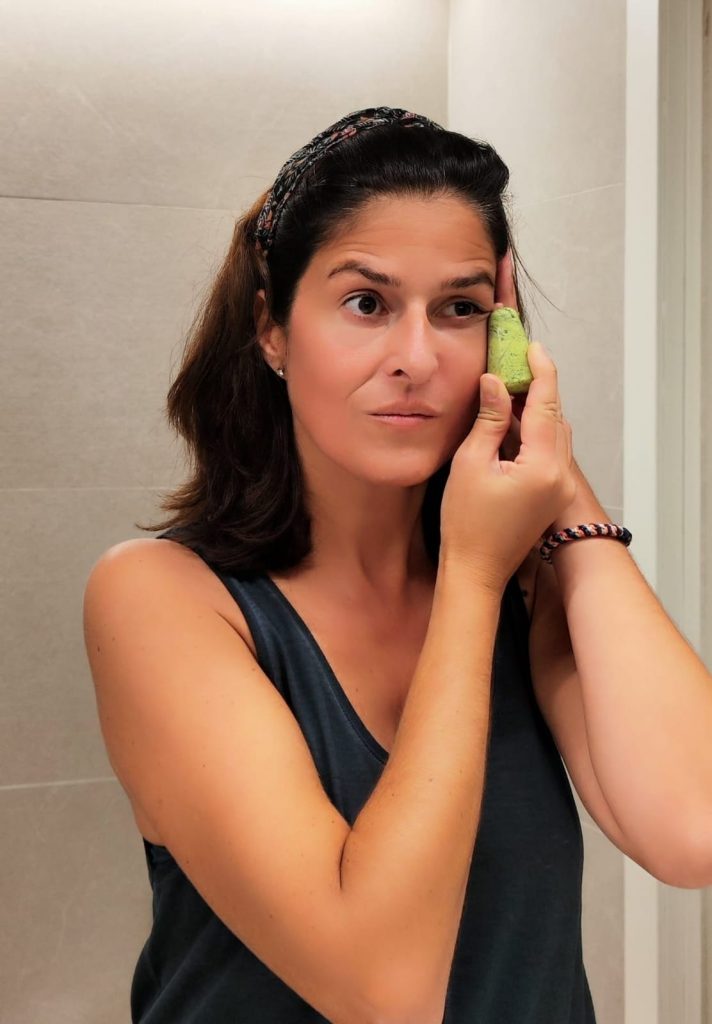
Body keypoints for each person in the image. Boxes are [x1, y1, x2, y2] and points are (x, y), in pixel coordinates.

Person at [84, 106, 606, 1023]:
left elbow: (693, 828)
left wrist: (559, 478)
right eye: (367, 303)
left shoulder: (535, 576)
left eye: (461, 309)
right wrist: (473, 578)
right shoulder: (159, 598)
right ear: (271, 329)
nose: (417, 358)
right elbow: (384, 989)